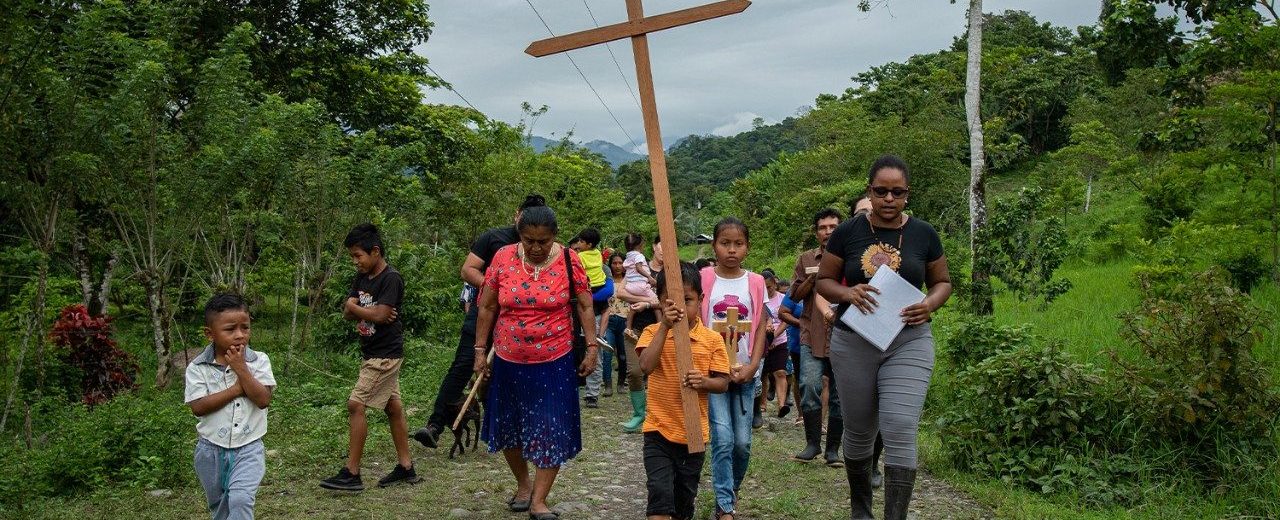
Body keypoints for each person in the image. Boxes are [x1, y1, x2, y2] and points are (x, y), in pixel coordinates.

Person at [817, 155, 953, 520]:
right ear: (869, 191)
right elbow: (824, 282)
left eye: (897, 192)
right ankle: (861, 510)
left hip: (908, 340)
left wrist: (930, 304)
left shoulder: (924, 233)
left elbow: (942, 282)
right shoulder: (848, 232)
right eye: (881, 191)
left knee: (900, 426)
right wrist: (847, 294)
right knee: (860, 429)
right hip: (855, 341)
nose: (889, 198)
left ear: (908, 194)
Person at [473, 205, 599, 519]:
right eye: (529, 240)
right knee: (510, 427)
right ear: (520, 235)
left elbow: (585, 306)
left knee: (551, 427)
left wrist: (592, 346)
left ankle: (540, 501)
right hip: (508, 359)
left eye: (542, 241)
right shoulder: (502, 258)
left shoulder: (571, 261)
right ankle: (523, 485)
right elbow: (487, 307)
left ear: (554, 236)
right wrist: (478, 350)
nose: (536, 247)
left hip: (554, 360)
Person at [415, 195, 547, 449]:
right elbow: (468, 269)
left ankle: (513, 428)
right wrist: (495, 287)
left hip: (523, 321)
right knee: (462, 366)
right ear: (517, 214)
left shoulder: (543, 247)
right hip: (483, 314)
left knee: (515, 374)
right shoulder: (494, 238)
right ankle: (435, 425)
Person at [321, 224, 419, 491]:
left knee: (356, 404)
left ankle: (352, 473)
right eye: (352, 256)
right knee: (393, 407)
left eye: (358, 255)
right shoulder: (362, 278)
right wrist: (360, 308)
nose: (355, 261)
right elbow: (350, 311)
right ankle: (406, 467)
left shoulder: (391, 278)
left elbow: (378, 314)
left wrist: (361, 309)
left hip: (384, 355)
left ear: (375, 251)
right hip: (371, 352)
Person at [638, 261, 731, 520]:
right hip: (657, 430)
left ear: (700, 299)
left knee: (683, 500)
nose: (678, 307)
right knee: (659, 495)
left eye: (686, 300)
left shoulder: (712, 339)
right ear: (659, 301)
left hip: (693, 435)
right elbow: (645, 365)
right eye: (669, 301)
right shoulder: (651, 332)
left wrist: (704, 381)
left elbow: (722, 383)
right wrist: (665, 327)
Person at [702, 217, 770, 520]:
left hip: (744, 372)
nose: (731, 250)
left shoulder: (755, 282)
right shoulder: (704, 278)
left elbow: (760, 327)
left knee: (742, 443)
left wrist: (753, 365)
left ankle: (731, 490)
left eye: (738, 244)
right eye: (725, 243)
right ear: (714, 245)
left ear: (747, 247)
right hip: (713, 373)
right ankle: (725, 506)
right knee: (723, 438)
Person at [185, 293, 276, 520]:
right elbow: (198, 406)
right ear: (210, 334)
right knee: (219, 507)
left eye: (245, 328)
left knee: (241, 499)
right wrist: (236, 390)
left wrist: (241, 369)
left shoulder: (259, 361)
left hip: (249, 448)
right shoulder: (198, 368)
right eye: (230, 329)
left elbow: (263, 399)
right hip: (209, 451)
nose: (239, 335)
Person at [789, 207, 847, 468]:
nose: (828, 232)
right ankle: (812, 443)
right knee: (809, 385)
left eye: (833, 227)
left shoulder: (851, 257)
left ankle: (833, 449)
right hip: (811, 333)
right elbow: (794, 296)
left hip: (844, 334)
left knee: (839, 395)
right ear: (816, 232)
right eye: (823, 228)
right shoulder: (805, 259)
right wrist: (813, 281)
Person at [572, 228, 614, 405]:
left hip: (594, 314)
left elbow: (609, 291)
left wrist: (586, 297)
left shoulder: (603, 268)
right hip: (572, 316)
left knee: (593, 351)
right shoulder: (596, 257)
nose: (578, 248)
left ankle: (592, 393)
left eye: (580, 243)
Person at [599, 252, 631, 398]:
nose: (617, 266)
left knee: (623, 355)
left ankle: (621, 383)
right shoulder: (605, 280)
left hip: (625, 320)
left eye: (620, 263)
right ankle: (608, 385)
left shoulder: (630, 281)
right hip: (609, 320)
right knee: (607, 353)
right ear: (610, 265)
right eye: (614, 263)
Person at [760, 269, 791, 420]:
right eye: (764, 287)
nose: (767, 290)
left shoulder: (782, 299)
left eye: (769, 287)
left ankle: (781, 404)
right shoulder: (759, 300)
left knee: (780, 372)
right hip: (762, 343)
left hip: (779, 341)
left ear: (775, 285)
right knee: (762, 374)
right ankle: (762, 403)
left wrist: (774, 336)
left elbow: (785, 321)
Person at [622, 232, 659, 338]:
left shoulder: (628, 256)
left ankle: (628, 328)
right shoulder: (639, 256)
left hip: (630, 287)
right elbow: (638, 267)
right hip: (641, 286)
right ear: (639, 245)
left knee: (633, 307)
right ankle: (661, 326)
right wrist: (649, 277)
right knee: (656, 303)